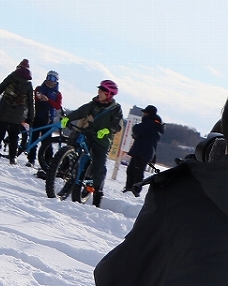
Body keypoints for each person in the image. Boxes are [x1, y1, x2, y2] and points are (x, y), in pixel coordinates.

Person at [94, 96, 228, 285]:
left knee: (134, 172)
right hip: (145, 154)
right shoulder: (157, 127)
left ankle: (128, 188)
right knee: (135, 172)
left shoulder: (181, 193)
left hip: (141, 154)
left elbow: (114, 274)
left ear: (214, 148)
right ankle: (128, 188)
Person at [64, 79, 124, 206]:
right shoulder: (93, 104)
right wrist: (68, 118)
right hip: (88, 134)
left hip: (102, 140)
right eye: (99, 89)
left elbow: (117, 125)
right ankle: (66, 173)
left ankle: (97, 196)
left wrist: (107, 130)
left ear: (109, 94)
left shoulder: (115, 109)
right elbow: (81, 112)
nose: (99, 92)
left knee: (99, 167)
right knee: (74, 149)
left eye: (103, 91)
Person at [0, 59, 33, 164]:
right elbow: (31, 103)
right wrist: (31, 117)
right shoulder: (28, 84)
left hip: (4, 111)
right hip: (17, 116)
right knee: (14, 137)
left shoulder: (11, 77)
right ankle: (13, 158)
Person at [124, 105, 165, 197]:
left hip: (142, 151)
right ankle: (130, 189)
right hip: (145, 151)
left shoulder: (150, 124)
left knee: (136, 171)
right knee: (133, 170)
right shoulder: (156, 125)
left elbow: (137, 129)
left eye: (145, 113)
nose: (143, 114)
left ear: (148, 114)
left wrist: (136, 133)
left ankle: (134, 190)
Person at [25, 70, 63, 166]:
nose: (50, 81)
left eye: (53, 79)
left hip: (49, 120)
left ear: (56, 81)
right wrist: (39, 98)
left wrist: (48, 100)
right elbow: (33, 99)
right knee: (33, 139)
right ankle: (31, 159)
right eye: (49, 78)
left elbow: (58, 106)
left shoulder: (57, 94)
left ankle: (47, 161)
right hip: (37, 117)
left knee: (47, 142)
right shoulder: (39, 88)